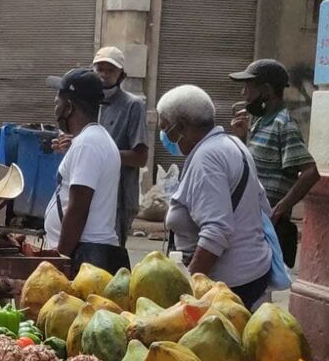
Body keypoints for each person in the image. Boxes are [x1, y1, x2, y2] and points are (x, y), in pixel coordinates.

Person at [161, 85, 272, 310]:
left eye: (165, 127)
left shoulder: (207, 159)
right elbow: (264, 206)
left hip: (228, 286)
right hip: (251, 274)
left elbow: (216, 231)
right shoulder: (232, 145)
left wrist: (187, 294)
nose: (164, 136)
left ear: (181, 127)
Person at [229, 59, 319, 268]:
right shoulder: (260, 122)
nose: (244, 93)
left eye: (248, 87)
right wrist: (242, 138)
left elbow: (310, 172)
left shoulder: (283, 125)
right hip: (251, 225)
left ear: (266, 91)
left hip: (267, 229)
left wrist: (280, 208)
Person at [44, 68, 128, 275]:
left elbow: (78, 209)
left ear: (69, 107)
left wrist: (60, 261)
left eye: (58, 103)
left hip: (85, 256)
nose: (55, 109)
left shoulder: (87, 144)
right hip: (89, 253)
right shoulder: (93, 139)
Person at [90, 46, 149, 247]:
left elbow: (140, 158)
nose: (104, 75)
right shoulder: (86, 104)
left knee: (110, 254)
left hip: (118, 199)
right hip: (89, 194)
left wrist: (102, 153)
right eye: (100, 69)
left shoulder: (133, 105)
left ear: (121, 75)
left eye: (110, 70)